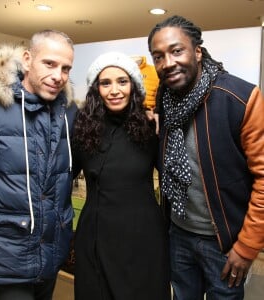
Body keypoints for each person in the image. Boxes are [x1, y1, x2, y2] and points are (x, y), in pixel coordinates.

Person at [148, 15, 264, 299]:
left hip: (224, 244)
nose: (168, 62)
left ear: (197, 51)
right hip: (179, 234)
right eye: (158, 56)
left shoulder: (239, 97)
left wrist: (246, 247)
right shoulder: (164, 99)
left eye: (177, 51)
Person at [0, 29, 78, 300]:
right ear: (27, 60)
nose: (58, 75)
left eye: (66, 68)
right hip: (5, 252)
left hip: (50, 253)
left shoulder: (67, 111)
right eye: (49, 63)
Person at [72, 52, 171, 299]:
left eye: (122, 82)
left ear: (134, 86)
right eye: (106, 83)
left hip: (143, 240)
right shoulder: (82, 129)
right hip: (95, 238)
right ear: (96, 89)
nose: (114, 90)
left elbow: (175, 178)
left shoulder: (152, 127)